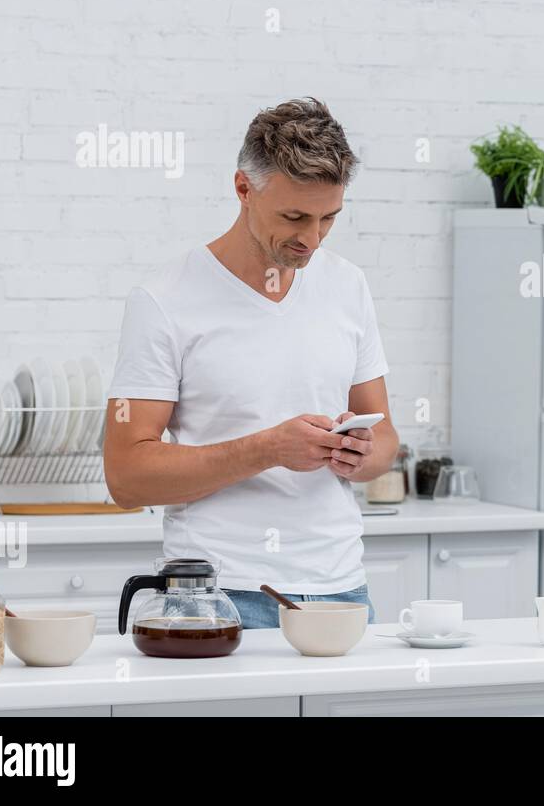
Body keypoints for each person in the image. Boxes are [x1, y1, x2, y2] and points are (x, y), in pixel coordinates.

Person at [103, 98, 398, 629]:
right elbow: (126, 477)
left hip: (343, 591)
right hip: (220, 596)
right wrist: (269, 449)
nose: (311, 239)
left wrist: (360, 454)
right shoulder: (164, 299)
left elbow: (388, 445)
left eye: (329, 218)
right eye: (294, 216)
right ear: (243, 188)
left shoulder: (347, 286)